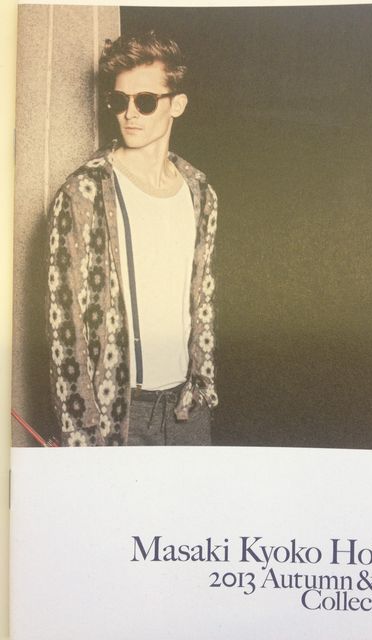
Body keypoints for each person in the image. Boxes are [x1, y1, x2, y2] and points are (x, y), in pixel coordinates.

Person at [46, 31, 218, 446]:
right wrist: (80, 431)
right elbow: (64, 324)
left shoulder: (200, 192)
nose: (129, 114)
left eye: (145, 101)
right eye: (119, 101)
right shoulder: (85, 192)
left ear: (177, 104)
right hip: (120, 414)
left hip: (187, 409)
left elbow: (203, 299)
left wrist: (204, 384)